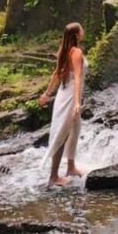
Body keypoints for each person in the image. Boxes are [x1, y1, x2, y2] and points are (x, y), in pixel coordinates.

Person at [38, 21, 87, 186]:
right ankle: (53, 176)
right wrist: (76, 103)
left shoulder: (64, 51)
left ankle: (71, 167)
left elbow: (55, 75)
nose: (83, 31)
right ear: (76, 34)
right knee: (62, 134)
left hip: (63, 95)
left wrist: (47, 94)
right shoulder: (77, 52)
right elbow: (78, 79)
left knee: (74, 130)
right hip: (70, 98)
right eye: (81, 29)